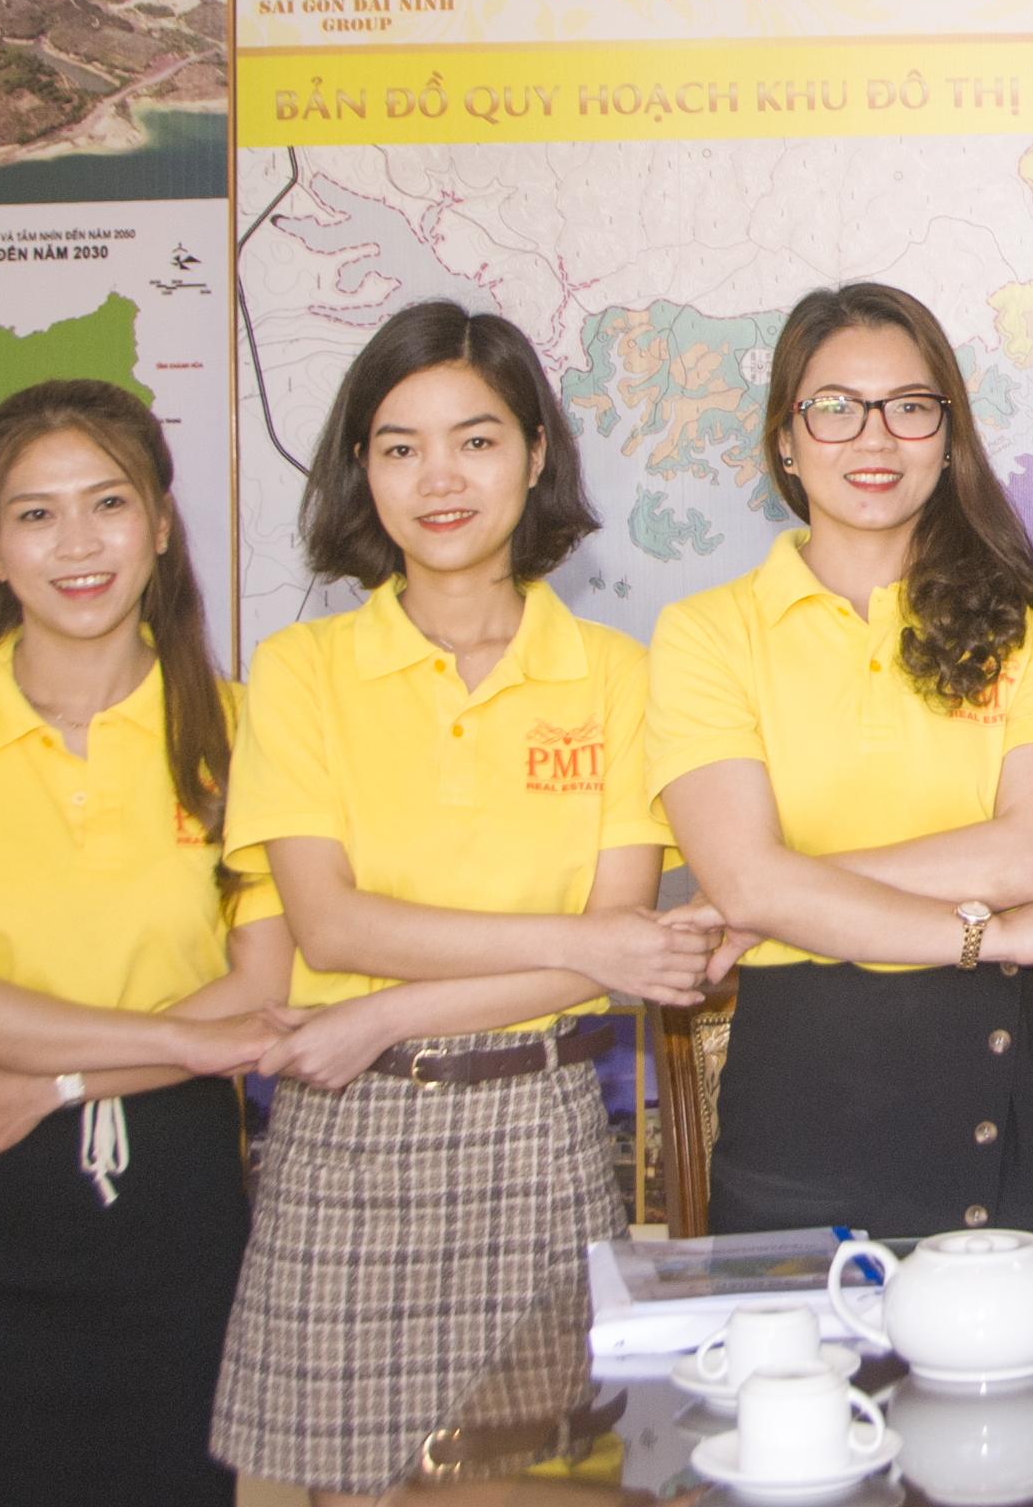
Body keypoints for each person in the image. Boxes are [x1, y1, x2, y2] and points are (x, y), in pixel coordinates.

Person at [211, 301, 724, 1506]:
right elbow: (332, 926)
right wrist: (583, 942)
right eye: (399, 447)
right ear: (362, 470)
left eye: (475, 440)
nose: (438, 479)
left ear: (536, 454)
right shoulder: (298, 672)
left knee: (536, 1483)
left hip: (537, 1128)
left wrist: (388, 1011)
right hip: (346, 1139)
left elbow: (617, 957)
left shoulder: (617, 676)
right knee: (355, 1491)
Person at [0, 378, 295, 1507]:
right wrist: (176, 1043)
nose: (77, 544)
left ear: (161, 524)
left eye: (108, 503)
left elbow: (263, 988)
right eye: (35, 515)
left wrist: (58, 1084)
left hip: (173, 1191)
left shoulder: (246, 732)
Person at [647, 282, 1033, 1236]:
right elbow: (748, 881)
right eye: (835, 408)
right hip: (798, 1092)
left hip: (1001, 1088)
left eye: (910, 407)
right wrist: (987, 936)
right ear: (785, 439)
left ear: (948, 436)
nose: (874, 439)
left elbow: (1027, 859)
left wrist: (777, 890)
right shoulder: (705, 634)